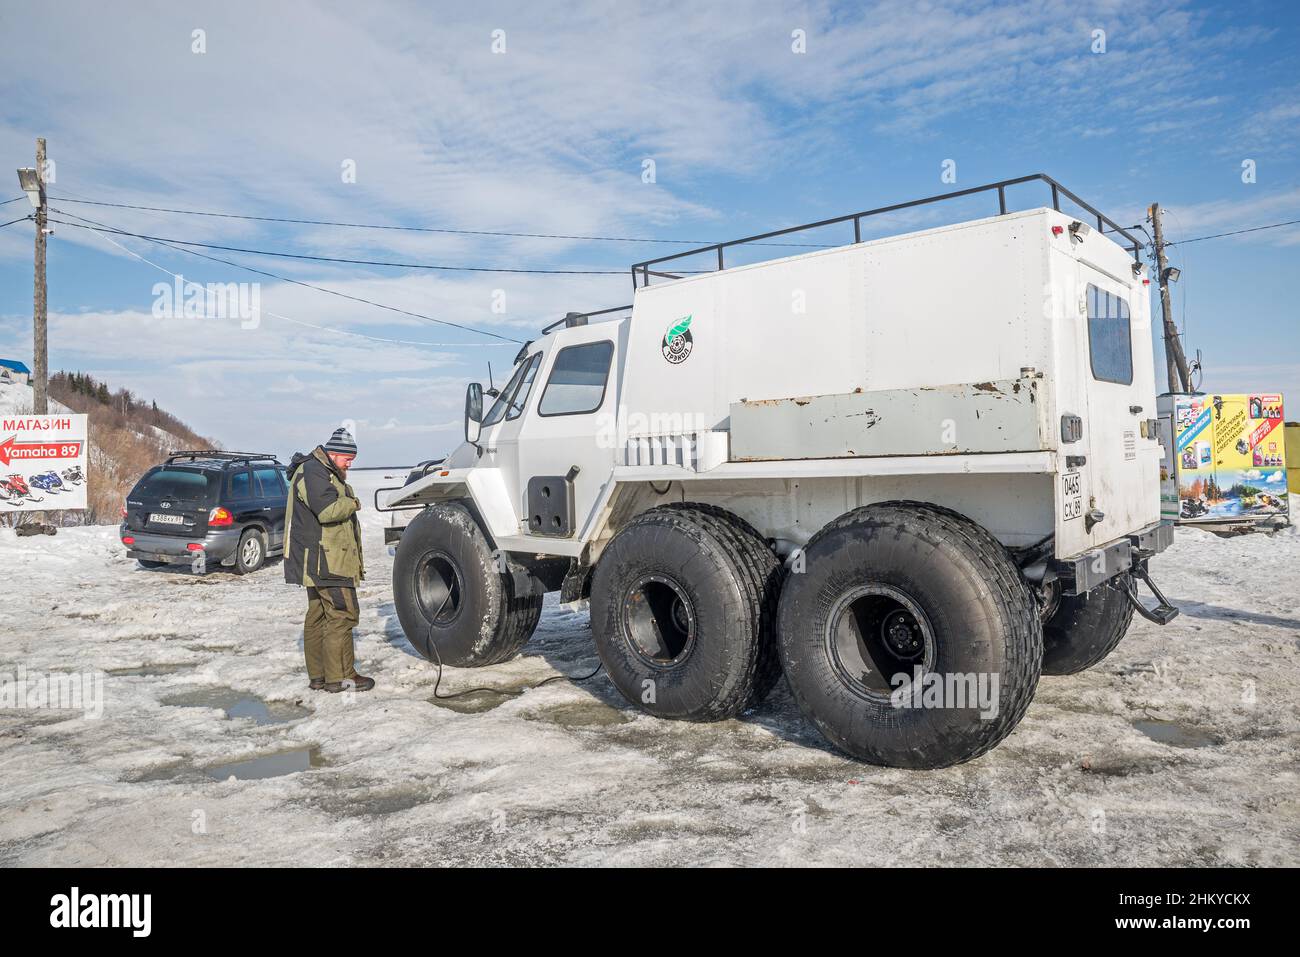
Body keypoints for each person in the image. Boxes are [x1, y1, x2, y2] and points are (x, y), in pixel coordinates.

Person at [284, 427, 372, 693]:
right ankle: (341, 676)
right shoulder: (315, 471)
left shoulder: (319, 470)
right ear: (333, 454)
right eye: (348, 459)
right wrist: (353, 502)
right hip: (327, 559)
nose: (350, 464)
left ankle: (320, 677)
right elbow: (327, 511)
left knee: (319, 615)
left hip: (319, 558)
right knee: (343, 614)